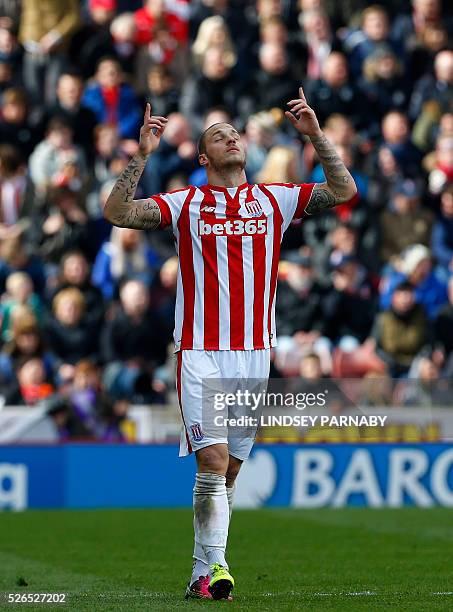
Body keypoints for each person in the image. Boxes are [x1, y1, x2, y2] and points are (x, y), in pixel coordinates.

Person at [102, 90, 357, 600]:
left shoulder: (274, 199)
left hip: (256, 353)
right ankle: (214, 568)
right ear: (203, 157)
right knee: (214, 460)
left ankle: (203, 569)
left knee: (230, 469)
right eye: (218, 136)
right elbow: (116, 211)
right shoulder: (186, 204)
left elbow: (344, 189)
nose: (232, 137)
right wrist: (143, 154)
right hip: (200, 350)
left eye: (234, 133)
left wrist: (315, 135)